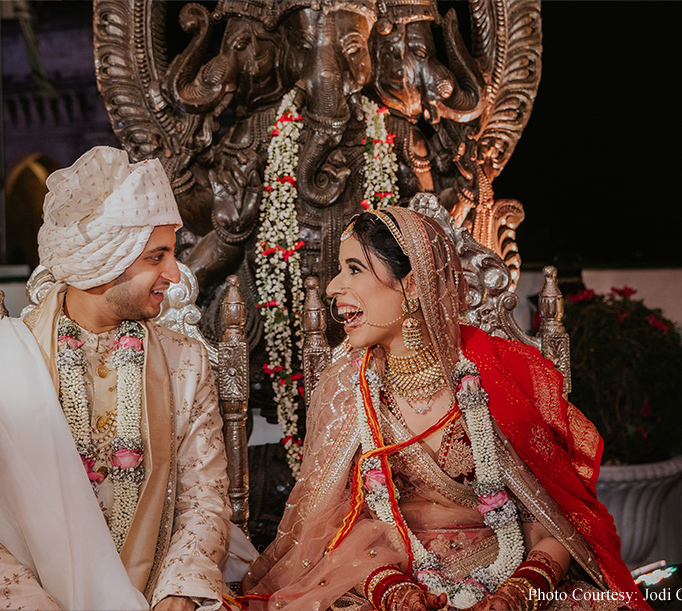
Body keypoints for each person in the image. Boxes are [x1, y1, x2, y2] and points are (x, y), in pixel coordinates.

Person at [240, 207, 649, 611]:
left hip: (507, 572)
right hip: (380, 577)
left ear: (413, 284)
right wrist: (392, 590)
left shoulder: (499, 373)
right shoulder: (345, 386)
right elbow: (328, 526)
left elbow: (557, 518)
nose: (332, 287)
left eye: (354, 269)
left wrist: (520, 591)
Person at [0, 147, 231, 611]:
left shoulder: (184, 361)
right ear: (103, 262)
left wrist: (179, 594)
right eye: (156, 256)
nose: (173, 273)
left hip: (155, 590)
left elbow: (205, 499)